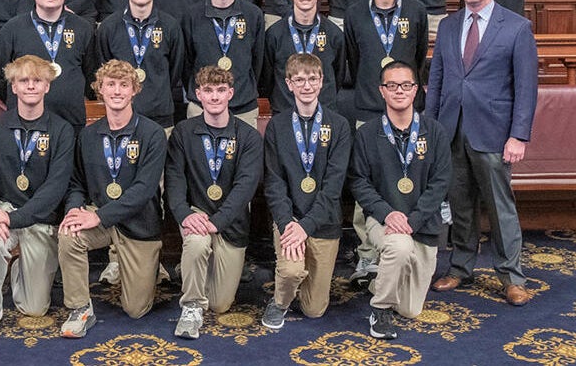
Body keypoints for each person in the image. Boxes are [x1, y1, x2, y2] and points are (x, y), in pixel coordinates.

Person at [426, 0, 538, 306]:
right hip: (451, 129)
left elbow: (526, 87)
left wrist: (518, 135)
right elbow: (438, 79)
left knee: (499, 206)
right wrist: (431, 130)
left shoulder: (516, 27)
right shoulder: (448, 26)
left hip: (493, 133)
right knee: (460, 205)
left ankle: (512, 276)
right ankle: (460, 267)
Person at [0, 55, 75, 340]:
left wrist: (13, 218)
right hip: (3, 210)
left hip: (40, 217)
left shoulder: (61, 131)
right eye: (23, 81)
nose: (30, 86)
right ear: (13, 87)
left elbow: (56, 187)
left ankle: (16, 264)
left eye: (36, 81)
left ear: (47, 87)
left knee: (34, 309)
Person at [57, 60, 167, 338]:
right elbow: (76, 183)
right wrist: (73, 211)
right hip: (102, 219)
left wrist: (97, 216)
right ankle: (79, 308)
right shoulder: (88, 135)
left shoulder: (152, 134)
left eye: (124, 85)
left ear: (134, 90)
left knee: (136, 309)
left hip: (139, 223)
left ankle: (150, 270)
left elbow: (143, 190)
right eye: (110, 85)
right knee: (70, 234)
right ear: (100, 90)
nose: (117, 91)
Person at [349, 60, 451, 339]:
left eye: (406, 85)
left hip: (422, 223)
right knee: (400, 247)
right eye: (391, 85)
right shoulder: (367, 133)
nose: (399, 91)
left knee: (409, 310)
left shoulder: (435, 132)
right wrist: (387, 213)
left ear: (416, 90)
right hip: (383, 221)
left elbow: (440, 183)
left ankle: (379, 279)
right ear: (382, 91)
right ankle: (379, 309)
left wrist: (413, 220)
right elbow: (358, 181)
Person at [344, 0, 428, 286]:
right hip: (368, 108)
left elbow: (417, 57)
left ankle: (404, 247)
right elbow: (354, 57)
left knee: (404, 178)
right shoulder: (354, 14)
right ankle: (367, 254)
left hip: (406, 110)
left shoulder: (416, 11)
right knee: (366, 182)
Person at [165, 66, 262, 339]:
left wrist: (216, 223)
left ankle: (193, 268)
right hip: (196, 214)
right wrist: (184, 215)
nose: (215, 97)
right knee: (196, 241)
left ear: (231, 93)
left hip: (230, 224)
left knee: (220, 304)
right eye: (208, 91)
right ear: (198, 95)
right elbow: (174, 181)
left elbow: (245, 189)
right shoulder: (183, 132)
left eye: (221, 90)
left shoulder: (248, 137)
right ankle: (192, 306)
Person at [261, 53, 351, 329]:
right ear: (288, 84)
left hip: (323, 223)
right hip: (289, 222)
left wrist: (307, 226)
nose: (307, 86)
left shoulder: (339, 126)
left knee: (314, 310)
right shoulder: (277, 126)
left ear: (322, 81)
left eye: (312, 79)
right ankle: (279, 301)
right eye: (299, 80)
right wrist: (289, 224)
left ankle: (303, 281)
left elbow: (333, 187)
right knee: (291, 271)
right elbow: (274, 184)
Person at [0, 0, 96, 132]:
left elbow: (91, 72)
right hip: (23, 122)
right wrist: (18, 98)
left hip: (70, 119)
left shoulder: (83, 28)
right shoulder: (13, 28)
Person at [96, 0, 184, 131]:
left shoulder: (170, 26)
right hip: (121, 115)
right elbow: (103, 68)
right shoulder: (109, 27)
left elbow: (175, 69)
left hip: (161, 115)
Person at [182, 0, 264, 128]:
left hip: (243, 106)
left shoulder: (253, 14)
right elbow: (186, 62)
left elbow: (258, 61)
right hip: (201, 107)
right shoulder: (192, 15)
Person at [262, 0, 344, 115]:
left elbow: (339, 73)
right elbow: (267, 78)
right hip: (284, 111)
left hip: (324, 112)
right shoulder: (274, 34)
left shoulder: (334, 34)